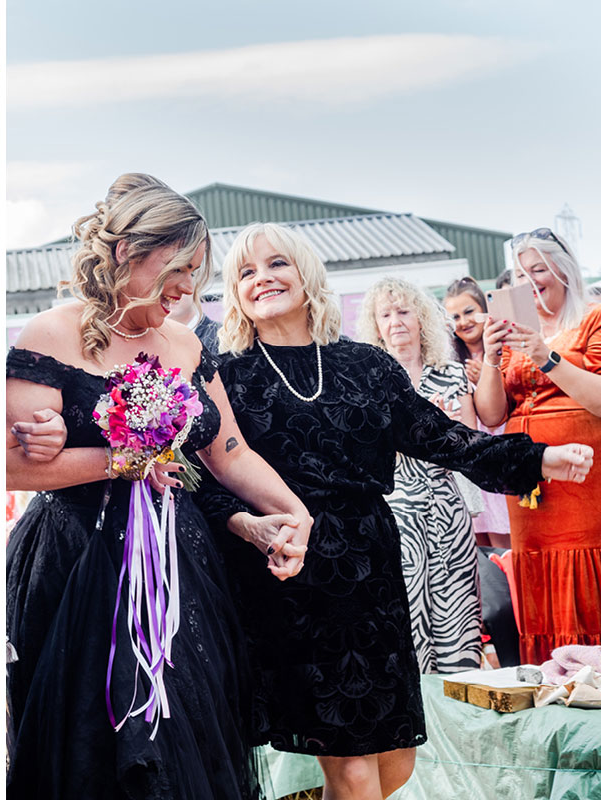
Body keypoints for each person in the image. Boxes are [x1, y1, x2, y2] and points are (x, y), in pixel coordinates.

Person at [197, 223, 591, 800]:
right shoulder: (224, 375)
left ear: (306, 274)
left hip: (373, 574)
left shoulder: (366, 366)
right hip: (290, 575)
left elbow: (440, 437)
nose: (263, 280)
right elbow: (201, 479)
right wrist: (249, 524)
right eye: (246, 272)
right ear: (235, 292)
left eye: (276, 264)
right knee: (353, 769)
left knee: (394, 763)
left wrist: (538, 459)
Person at [6, 174, 311, 799]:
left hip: (180, 567)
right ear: (125, 252)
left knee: (188, 732)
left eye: (197, 271)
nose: (187, 287)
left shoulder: (187, 344)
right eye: (179, 266)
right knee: (93, 744)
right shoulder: (50, 334)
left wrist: (292, 511)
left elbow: (229, 454)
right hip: (81, 566)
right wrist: (123, 462)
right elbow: (16, 467)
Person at [475, 227, 601, 664]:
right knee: (536, 574)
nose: (529, 282)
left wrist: (545, 355)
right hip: (530, 485)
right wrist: (493, 358)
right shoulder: (518, 331)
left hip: (586, 481)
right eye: (521, 275)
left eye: (538, 270)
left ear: (563, 268)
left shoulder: (593, 318)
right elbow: (492, 416)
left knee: (585, 573)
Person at [359, 277, 483, 674]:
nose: (395, 321)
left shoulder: (450, 373)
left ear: (421, 318)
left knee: (460, 615)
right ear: (376, 325)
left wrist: (448, 425)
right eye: (386, 314)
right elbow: (365, 451)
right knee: (408, 620)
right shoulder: (371, 381)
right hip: (399, 512)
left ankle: (461, 716)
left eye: (404, 311)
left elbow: (470, 443)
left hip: (448, 509)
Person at [444, 276, 511, 548]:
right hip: (472, 462)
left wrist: (487, 376)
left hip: (500, 450)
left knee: (505, 543)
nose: (463, 321)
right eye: (455, 316)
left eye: (469, 312)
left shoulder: (505, 350)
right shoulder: (451, 361)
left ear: (484, 309)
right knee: (481, 550)